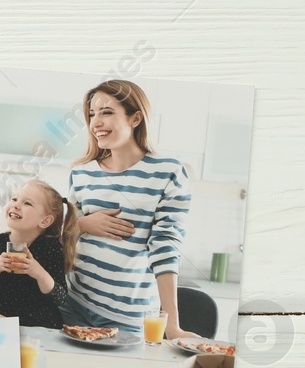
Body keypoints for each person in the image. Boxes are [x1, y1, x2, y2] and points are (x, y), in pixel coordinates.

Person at [61, 80, 201, 340]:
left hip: (128, 317)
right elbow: (62, 236)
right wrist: (82, 225)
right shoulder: (81, 172)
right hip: (71, 305)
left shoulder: (168, 172)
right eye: (92, 114)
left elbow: (166, 246)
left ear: (135, 118)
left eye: (107, 112)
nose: (95, 123)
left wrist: (170, 325)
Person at [0, 179, 76, 328]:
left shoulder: (50, 249)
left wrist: (38, 272)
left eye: (27, 203)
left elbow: (59, 298)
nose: (15, 205)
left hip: (38, 328)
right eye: (14, 199)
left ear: (45, 221)